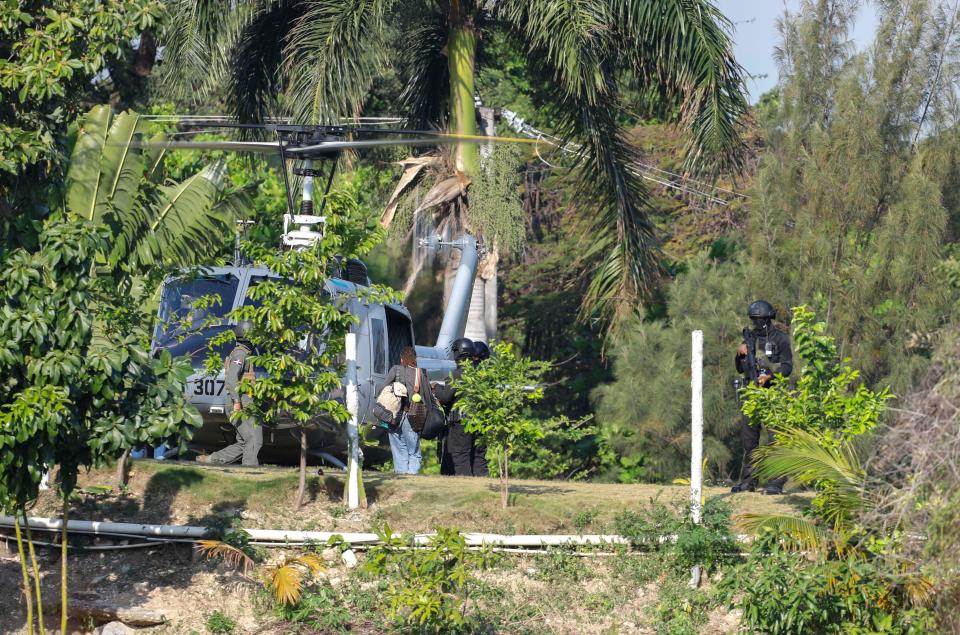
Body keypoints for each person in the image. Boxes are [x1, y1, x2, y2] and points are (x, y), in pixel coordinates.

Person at [731, 300, 793, 495]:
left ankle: (775, 483)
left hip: (773, 395)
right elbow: (741, 369)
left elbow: (787, 365)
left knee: (776, 441)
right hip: (751, 394)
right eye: (754, 319)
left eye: (761, 319)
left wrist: (770, 376)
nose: (757, 323)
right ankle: (749, 481)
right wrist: (740, 355)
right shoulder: (747, 340)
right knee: (749, 442)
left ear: (768, 318)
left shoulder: (781, 339)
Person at [200, 319, 262, 466]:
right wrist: (237, 403)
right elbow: (232, 378)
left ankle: (211, 460)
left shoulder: (244, 353)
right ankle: (249, 472)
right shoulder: (241, 354)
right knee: (253, 439)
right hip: (241, 403)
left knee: (243, 443)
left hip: (245, 402)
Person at [434, 338, 489, 477]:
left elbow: (445, 397)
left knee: (460, 456)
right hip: (481, 423)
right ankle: (482, 489)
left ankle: (466, 489)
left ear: (458, 353)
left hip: (461, 423)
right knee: (479, 458)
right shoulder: (483, 376)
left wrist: (435, 388)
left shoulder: (457, 375)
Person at [382, 346, 424, 474]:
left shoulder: (395, 370)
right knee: (414, 451)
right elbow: (426, 396)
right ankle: (412, 477)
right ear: (414, 359)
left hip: (394, 416)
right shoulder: (420, 373)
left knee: (399, 449)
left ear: (401, 359)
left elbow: (384, 390)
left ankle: (401, 477)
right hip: (411, 416)